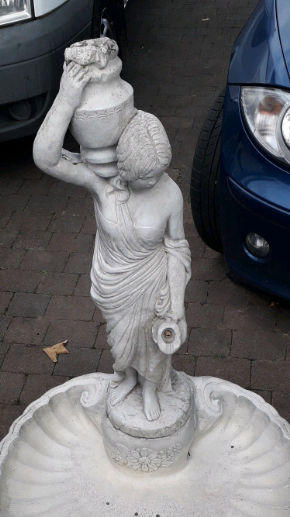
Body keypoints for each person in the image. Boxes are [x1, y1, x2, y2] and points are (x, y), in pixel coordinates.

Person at [33, 60, 191, 422]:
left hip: (152, 284)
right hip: (113, 284)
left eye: (159, 174)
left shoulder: (170, 194)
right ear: (125, 167)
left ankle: (150, 387)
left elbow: (177, 248)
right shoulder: (101, 186)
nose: (155, 181)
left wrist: (177, 303)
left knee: (152, 341)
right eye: (145, 177)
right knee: (122, 343)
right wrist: (66, 99)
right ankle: (128, 376)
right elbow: (45, 157)